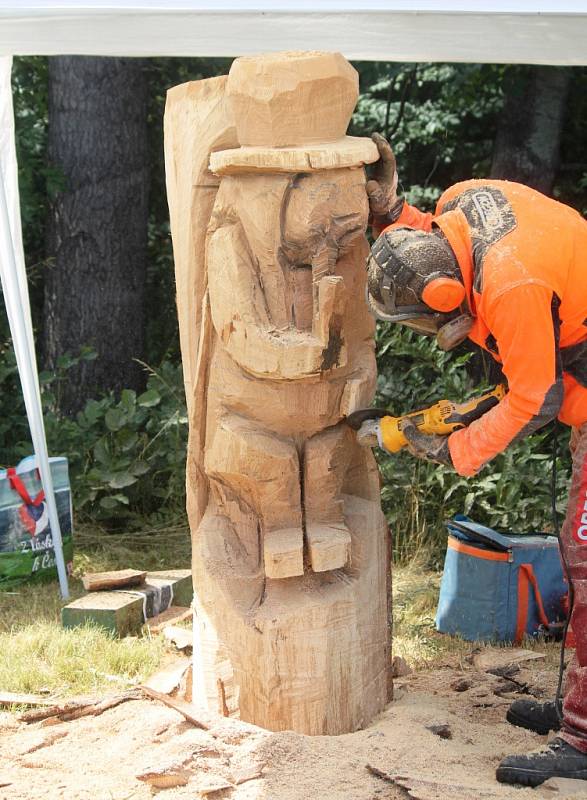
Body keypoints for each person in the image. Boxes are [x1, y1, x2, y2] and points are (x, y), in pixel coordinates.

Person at [365, 133, 587, 788]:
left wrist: (456, 448)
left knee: (586, 557)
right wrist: (388, 219)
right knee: (577, 556)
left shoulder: (512, 284)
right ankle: (578, 699)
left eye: (420, 320)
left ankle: (582, 740)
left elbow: (530, 397)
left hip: (560, 368)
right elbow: (427, 240)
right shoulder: (459, 206)